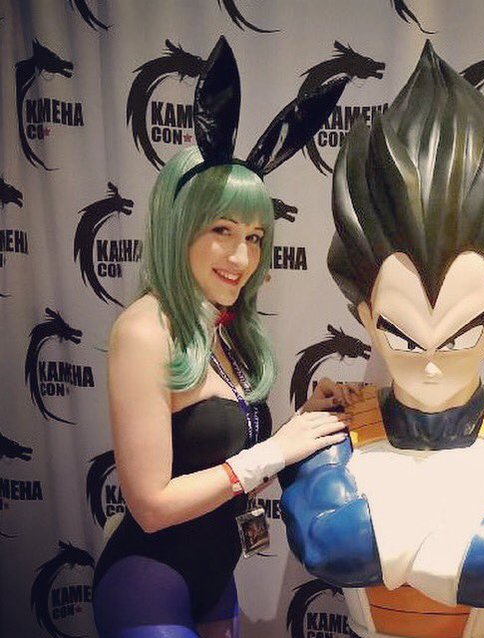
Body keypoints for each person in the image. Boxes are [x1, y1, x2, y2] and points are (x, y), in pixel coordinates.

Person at [280, 42, 484, 638]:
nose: (429, 364)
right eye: (404, 338)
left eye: (456, 339)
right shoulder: (330, 437)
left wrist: (383, 531)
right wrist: (460, 536)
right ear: (367, 318)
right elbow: (327, 546)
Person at [93, 37, 351, 638]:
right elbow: (150, 506)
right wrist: (274, 453)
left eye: (255, 237)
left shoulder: (222, 326)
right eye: (222, 230)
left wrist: (302, 426)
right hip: (147, 583)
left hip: (215, 580)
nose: (242, 257)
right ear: (180, 226)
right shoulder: (144, 329)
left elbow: (227, 457)